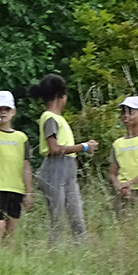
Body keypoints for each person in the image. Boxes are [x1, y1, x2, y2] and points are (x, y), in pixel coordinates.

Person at [30, 74, 97, 242]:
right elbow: (54, 148)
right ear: (61, 96)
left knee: (76, 216)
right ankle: (54, 253)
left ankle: (81, 251)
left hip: (68, 169)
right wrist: (84, 147)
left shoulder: (58, 119)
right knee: (57, 219)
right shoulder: (50, 118)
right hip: (55, 168)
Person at [0, 90, 33, 242]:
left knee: (11, 230)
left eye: (7, 109)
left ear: (13, 111)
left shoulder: (21, 137)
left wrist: (29, 192)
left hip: (16, 187)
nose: (3, 112)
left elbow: (26, 165)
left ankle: (7, 260)